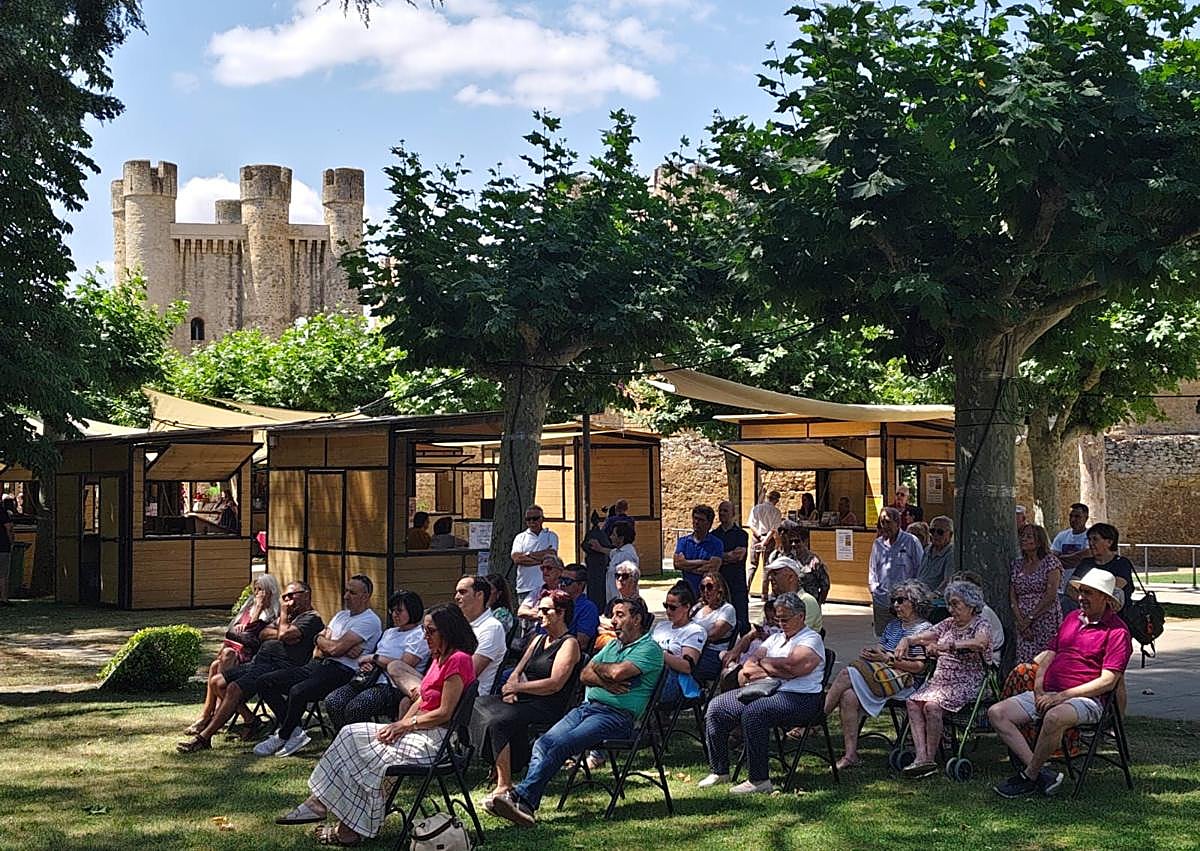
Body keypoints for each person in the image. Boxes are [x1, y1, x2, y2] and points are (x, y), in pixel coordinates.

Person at [275, 604, 478, 845]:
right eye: (424, 630)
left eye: (430, 631)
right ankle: (319, 802)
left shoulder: (459, 660)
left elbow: (445, 713)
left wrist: (403, 727)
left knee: (370, 753)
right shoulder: (439, 657)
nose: (426, 636)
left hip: (434, 741)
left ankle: (348, 827)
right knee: (350, 734)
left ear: (448, 631)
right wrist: (400, 724)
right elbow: (424, 699)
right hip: (418, 729)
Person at [487, 597, 664, 828]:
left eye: (620, 615)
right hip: (588, 708)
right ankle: (523, 802)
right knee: (542, 743)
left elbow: (617, 673)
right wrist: (604, 677)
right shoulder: (612, 645)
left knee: (562, 743)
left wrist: (600, 672)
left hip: (618, 717)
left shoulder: (649, 649)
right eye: (613, 615)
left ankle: (522, 799)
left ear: (637, 619)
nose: (614, 620)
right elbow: (584, 675)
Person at [988, 569, 1132, 798]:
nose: (1081, 597)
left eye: (1089, 593)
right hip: (1050, 693)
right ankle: (1042, 772)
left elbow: (1109, 680)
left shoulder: (1117, 632)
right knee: (997, 713)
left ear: (1106, 599)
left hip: (1088, 700)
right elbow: (1049, 655)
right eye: (1081, 592)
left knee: (1054, 717)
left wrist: (1062, 696)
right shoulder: (1072, 618)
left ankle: (1029, 777)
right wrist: (1038, 688)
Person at [699, 590, 825, 795]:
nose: (781, 623)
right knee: (717, 707)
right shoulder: (775, 639)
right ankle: (719, 770)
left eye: (786, 619)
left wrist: (765, 664)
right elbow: (748, 668)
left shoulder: (811, 639)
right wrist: (777, 667)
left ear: (801, 616)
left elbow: (795, 668)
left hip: (802, 698)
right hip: (766, 691)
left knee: (755, 712)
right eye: (778, 618)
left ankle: (759, 779)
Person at [176, 581, 325, 753]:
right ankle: (251, 720)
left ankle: (203, 738)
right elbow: (262, 634)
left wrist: (282, 619)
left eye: (292, 596)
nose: (287, 601)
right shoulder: (290, 619)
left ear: (306, 594)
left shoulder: (311, 618)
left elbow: (283, 634)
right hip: (258, 663)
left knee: (233, 688)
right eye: (285, 597)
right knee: (217, 681)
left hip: (277, 667)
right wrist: (282, 633)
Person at [254, 575, 383, 758]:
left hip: (343, 672)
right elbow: (319, 649)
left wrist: (331, 645)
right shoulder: (340, 615)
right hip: (319, 664)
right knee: (265, 682)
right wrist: (327, 642)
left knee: (298, 691)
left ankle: (283, 735)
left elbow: (335, 648)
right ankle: (294, 732)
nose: (346, 596)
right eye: (346, 591)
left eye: (352, 592)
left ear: (365, 596)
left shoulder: (369, 621)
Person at [472, 589, 582, 801]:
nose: (539, 614)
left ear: (561, 613)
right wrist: (512, 686)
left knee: (497, 721)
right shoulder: (538, 640)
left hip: (547, 704)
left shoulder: (570, 644)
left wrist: (518, 689)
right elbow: (517, 669)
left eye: (545, 610)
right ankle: (501, 761)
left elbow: (554, 684)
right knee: (477, 704)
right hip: (523, 698)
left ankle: (504, 783)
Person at [823, 579, 933, 769]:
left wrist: (887, 660)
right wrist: (873, 654)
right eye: (894, 601)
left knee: (846, 674)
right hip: (882, 678)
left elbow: (919, 668)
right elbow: (882, 649)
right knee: (849, 696)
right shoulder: (893, 626)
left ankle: (816, 717)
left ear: (915, 603)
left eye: (900, 600)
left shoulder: (924, 630)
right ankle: (851, 755)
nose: (895, 605)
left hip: (906, 683)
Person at [896, 580, 994, 778]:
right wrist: (907, 640)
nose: (951, 609)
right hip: (941, 681)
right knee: (912, 702)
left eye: (956, 604)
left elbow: (980, 643)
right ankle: (921, 757)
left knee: (932, 706)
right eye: (950, 604)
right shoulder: (948, 624)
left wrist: (947, 647)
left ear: (971, 605)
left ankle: (929, 759)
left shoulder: (981, 624)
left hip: (968, 681)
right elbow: (926, 635)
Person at [184, 574, 281, 736]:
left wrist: (258, 609)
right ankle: (220, 715)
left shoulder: (273, 614)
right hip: (236, 654)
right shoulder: (247, 607)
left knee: (226, 657)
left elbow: (251, 636)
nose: (257, 594)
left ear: (270, 592)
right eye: (255, 589)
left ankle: (215, 715)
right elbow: (231, 632)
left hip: (253, 658)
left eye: (261, 590)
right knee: (217, 663)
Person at [325, 590, 430, 731]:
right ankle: (346, 740)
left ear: (412, 610)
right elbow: (378, 657)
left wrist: (374, 658)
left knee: (356, 708)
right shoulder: (389, 632)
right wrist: (369, 664)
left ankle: (363, 742)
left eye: (399, 611)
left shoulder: (419, 635)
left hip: (393, 686)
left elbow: (403, 665)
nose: (394, 615)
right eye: (392, 611)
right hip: (369, 679)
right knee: (333, 701)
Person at [1011, 524, 1064, 663]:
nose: (1024, 539)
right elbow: (1013, 595)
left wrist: (1030, 618)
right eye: (1022, 536)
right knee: (1025, 662)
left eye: (1029, 536)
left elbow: (1051, 595)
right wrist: (1021, 622)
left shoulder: (1050, 562)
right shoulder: (1017, 565)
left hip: (1045, 619)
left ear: (1039, 541)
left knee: (1045, 660)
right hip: (1022, 621)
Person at [867, 507, 923, 635]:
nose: (884, 526)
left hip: (905, 601)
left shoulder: (911, 541)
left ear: (897, 523)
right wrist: (874, 590)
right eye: (882, 522)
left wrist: (913, 595)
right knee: (883, 637)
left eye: (888, 522)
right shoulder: (878, 544)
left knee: (904, 636)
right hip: (882, 600)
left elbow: (920, 569)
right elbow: (872, 570)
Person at [651, 583, 707, 702]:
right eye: (666, 606)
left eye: (673, 607)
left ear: (687, 607)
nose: (668, 611)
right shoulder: (661, 626)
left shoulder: (695, 631)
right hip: (652, 673)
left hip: (675, 681)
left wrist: (659, 653)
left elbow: (687, 667)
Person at [453, 575, 508, 695]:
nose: (456, 597)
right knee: (401, 669)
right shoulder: (459, 624)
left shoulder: (492, 628)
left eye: (462, 592)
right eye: (457, 592)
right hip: (448, 687)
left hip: (468, 698)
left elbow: (469, 673)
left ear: (479, 595)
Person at [1070, 523, 1135, 617]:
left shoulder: (1121, 564)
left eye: (1095, 539)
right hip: (1087, 617)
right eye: (1089, 539)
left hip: (1118, 618)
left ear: (1109, 542)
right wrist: (1086, 602)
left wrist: (1086, 596)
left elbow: (1109, 589)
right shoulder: (1086, 563)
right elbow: (1070, 588)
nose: (1091, 543)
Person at [712, 500, 750, 636]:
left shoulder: (741, 535)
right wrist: (727, 556)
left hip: (737, 582)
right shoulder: (713, 535)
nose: (722, 513)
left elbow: (738, 556)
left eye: (725, 511)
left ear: (733, 514)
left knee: (742, 620)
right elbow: (712, 559)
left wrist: (720, 557)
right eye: (720, 511)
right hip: (720, 582)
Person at [691, 572, 737, 681]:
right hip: (694, 649)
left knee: (683, 665)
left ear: (719, 590)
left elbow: (713, 635)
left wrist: (689, 637)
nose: (706, 591)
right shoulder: (698, 607)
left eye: (710, 587)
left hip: (714, 653)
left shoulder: (727, 609)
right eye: (703, 587)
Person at [764, 556, 823, 634]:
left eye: (775, 574)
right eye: (770, 574)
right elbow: (756, 630)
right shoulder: (774, 602)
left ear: (791, 577)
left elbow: (795, 635)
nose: (770, 578)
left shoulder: (806, 601)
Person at [674, 504, 724, 597]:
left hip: (707, 593)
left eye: (701, 520)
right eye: (695, 518)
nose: (696, 522)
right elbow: (678, 563)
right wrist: (703, 562)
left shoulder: (716, 543)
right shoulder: (683, 542)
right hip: (687, 593)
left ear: (709, 523)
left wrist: (688, 565)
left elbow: (712, 568)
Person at [510, 504, 560, 598]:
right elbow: (517, 559)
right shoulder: (520, 537)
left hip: (546, 586)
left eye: (535, 518)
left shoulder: (551, 535)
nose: (532, 522)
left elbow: (552, 555)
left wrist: (528, 554)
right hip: (525, 587)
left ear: (542, 519)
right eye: (528, 519)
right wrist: (543, 559)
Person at [1051, 503, 1092, 613]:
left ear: (1086, 518)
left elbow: (1086, 556)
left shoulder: (1090, 536)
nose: (1073, 519)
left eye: (1077, 516)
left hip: (1081, 588)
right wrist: (1075, 558)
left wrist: (1062, 559)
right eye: (1071, 516)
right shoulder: (1061, 536)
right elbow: (1053, 559)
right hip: (1061, 588)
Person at [550, 563, 600, 650]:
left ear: (580, 585)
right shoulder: (552, 603)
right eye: (561, 580)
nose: (562, 584)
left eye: (567, 581)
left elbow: (581, 643)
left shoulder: (588, 608)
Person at [594, 562, 641, 650]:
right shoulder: (613, 601)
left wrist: (609, 627)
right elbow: (599, 626)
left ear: (634, 581)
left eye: (625, 576)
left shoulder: (639, 604)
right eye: (617, 576)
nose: (620, 579)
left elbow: (630, 631)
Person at [747, 489, 782, 583]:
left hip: (756, 537)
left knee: (752, 565)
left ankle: (746, 589)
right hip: (769, 539)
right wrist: (765, 540)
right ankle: (764, 593)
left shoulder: (756, 508)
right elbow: (773, 529)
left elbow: (751, 525)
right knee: (767, 566)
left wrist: (759, 537)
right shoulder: (776, 512)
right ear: (776, 500)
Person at [517, 555, 565, 624]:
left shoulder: (565, 590)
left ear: (560, 571)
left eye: (549, 568)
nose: (545, 571)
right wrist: (543, 613)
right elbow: (521, 611)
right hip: (534, 631)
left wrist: (535, 611)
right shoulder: (537, 591)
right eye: (542, 568)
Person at [916, 515, 956, 593]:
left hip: (935, 600)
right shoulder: (927, 549)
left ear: (950, 535)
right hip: (919, 595)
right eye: (932, 531)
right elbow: (920, 576)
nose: (935, 534)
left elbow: (948, 582)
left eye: (940, 532)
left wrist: (933, 596)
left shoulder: (951, 553)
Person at [581, 510, 611, 608]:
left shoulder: (601, 534)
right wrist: (589, 547)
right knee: (592, 587)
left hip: (600, 564)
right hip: (591, 564)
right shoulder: (590, 533)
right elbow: (583, 545)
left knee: (599, 587)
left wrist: (597, 548)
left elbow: (607, 546)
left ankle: (600, 606)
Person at [603, 520, 638, 602]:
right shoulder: (619, 551)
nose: (611, 537)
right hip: (613, 599)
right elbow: (611, 552)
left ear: (621, 538)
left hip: (622, 600)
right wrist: (598, 548)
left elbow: (628, 581)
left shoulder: (627, 555)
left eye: (614, 535)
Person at [484, 573, 516, 639]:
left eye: (490, 589)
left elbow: (492, 637)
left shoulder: (502, 614)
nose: (486, 592)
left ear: (499, 593)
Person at [0, 495, 13, 605]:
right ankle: (4, 598)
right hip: (3, 546)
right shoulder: (3, 512)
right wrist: (11, 541)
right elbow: (9, 527)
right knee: (3, 574)